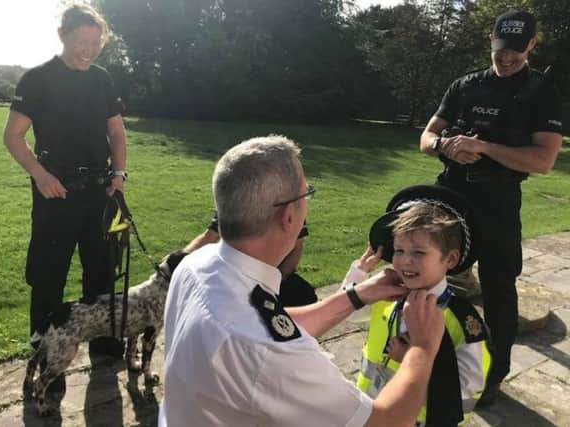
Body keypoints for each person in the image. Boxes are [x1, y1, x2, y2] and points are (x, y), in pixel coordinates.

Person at [160, 135, 447, 427]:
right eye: (306, 193)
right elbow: (385, 422)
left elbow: (274, 325)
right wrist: (422, 348)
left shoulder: (198, 263)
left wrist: (356, 296)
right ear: (288, 216)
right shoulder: (266, 350)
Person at [419, 9, 563, 405]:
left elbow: (542, 161)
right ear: (491, 40)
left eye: (517, 50)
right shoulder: (465, 85)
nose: (507, 57)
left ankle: (492, 374)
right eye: (502, 49)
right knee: (432, 279)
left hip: (498, 202)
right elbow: (426, 136)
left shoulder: (541, 92)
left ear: (532, 44)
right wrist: (444, 146)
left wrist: (483, 147)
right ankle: (428, 357)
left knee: (499, 289)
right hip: (449, 195)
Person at [3, 4, 128, 377]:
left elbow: (117, 133)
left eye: (95, 42)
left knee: (103, 274)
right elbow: (13, 136)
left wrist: (118, 174)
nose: (87, 50)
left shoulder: (103, 79)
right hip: (55, 194)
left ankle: (105, 351)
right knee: (47, 278)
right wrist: (40, 176)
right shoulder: (37, 80)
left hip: (100, 193)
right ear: (62, 35)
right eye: (80, 41)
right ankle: (43, 361)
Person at [347, 185, 491, 426]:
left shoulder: (462, 322)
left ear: (450, 259)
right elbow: (352, 314)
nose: (406, 260)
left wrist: (411, 362)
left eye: (419, 252)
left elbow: (466, 389)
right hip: (371, 410)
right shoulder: (388, 294)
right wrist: (359, 275)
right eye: (399, 250)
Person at [184, 212, 318, 306]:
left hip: (273, 275)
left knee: (304, 295)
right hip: (237, 274)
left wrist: (277, 280)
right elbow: (210, 236)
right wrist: (179, 260)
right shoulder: (235, 199)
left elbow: (297, 247)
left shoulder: (292, 203)